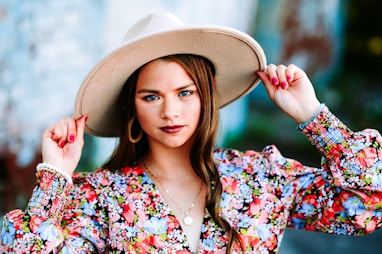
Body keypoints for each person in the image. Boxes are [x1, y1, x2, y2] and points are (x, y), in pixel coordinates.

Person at [1, 11, 382, 254]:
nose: (170, 111)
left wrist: (312, 114)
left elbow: (368, 204)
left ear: (207, 95)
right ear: (131, 106)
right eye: (151, 97)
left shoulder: (263, 178)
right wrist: (56, 178)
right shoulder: (99, 196)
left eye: (185, 93)